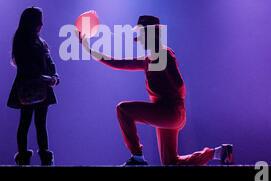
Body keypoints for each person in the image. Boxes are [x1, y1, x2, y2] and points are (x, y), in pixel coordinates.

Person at [79, 15, 232, 166]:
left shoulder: (164, 54)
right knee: (170, 162)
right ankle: (217, 153)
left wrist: (176, 102)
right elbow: (119, 62)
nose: (139, 38)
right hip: (168, 114)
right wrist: (89, 49)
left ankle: (137, 158)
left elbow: (179, 84)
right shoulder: (148, 59)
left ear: (151, 35)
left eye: (141, 34)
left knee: (123, 110)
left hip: (170, 112)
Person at [7, 7, 60, 166]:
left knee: (40, 122)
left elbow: (49, 61)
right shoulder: (21, 39)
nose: (42, 24)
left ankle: (44, 155)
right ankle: (23, 155)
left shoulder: (41, 41)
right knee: (25, 121)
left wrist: (55, 76)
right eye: (39, 20)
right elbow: (25, 65)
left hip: (42, 86)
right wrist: (44, 78)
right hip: (27, 87)